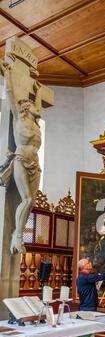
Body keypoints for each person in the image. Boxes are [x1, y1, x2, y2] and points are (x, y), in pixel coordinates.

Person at [0, 57, 43, 254]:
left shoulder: (35, 124)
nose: (37, 107)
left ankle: (18, 232)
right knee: (26, 199)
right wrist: (7, 73)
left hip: (35, 162)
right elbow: (10, 92)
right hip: (21, 159)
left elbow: (40, 101)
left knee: (32, 202)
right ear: (26, 106)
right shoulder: (19, 117)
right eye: (33, 104)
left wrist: (38, 90)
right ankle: (17, 236)